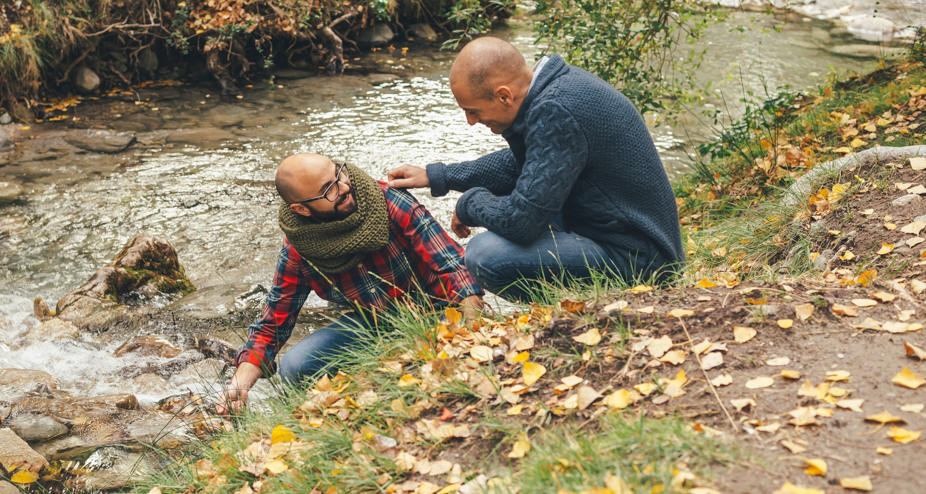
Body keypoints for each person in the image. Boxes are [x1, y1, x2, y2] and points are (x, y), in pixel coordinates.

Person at [387, 37, 684, 299]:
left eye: (473, 110)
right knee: (528, 203)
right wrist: (438, 176)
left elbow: (520, 224)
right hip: (630, 239)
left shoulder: (555, 111)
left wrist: (469, 203)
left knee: (483, 255)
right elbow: (523, 166)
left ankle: (567, 310)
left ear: (504, 95)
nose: (471, 121)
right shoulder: (554, 88)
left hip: (641, 262)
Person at [216, 153, 484, 414]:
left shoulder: (389, 202)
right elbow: (273, 324)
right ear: (301, 209)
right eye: (329, 189)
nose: (344, 186)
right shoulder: (299, 251)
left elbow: (453, 265)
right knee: (295, 367)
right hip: (374, 324)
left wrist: (474, 335)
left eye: (338, 173)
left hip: (439, 312)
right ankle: (358, 395)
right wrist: (239, 383)